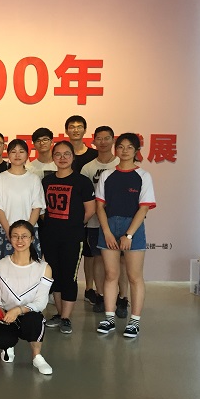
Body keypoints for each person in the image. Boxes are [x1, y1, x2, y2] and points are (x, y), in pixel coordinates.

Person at [95, 133, 156, 338]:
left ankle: (134, 321)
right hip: (109, 227)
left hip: (134, 228)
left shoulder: (143, 176)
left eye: (130, 147)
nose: (125, 150)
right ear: (116, 149)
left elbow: (143, 208)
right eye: (121, 147)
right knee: (111, 275)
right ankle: (109, 318)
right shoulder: (107, 175)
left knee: (134, 276)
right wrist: (107, 232)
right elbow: (100, 207)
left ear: (136, 151)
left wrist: (128, 235)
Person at [41, 141, 96, 335]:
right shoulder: (46, 181)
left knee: (69, 277)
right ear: (53, 157)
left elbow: (90, 210)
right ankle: (59, 314)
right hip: (49, 236)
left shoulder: (82, 181)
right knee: (54, 276)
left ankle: (66, 318)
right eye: (58, 154)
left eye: (67, 154)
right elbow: (42, 209)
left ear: (73, 157)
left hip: (73, 237)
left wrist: (73, 225)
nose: (62, 158)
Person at [0, 220, 54, 375]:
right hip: (6, 315)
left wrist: (18, 310)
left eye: (24, 236)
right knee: (2, 339)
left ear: (32, 238)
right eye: (15, 236)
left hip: (28, 313)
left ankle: (37, 356)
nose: (20, 240)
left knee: (35, 320)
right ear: (10, 238)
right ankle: (8, 347)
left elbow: (41, 302)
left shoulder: (44, 268)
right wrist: (1, 312)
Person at [80, 126, 129, 314]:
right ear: (93, 141)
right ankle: (100, 296)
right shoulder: (88, 168)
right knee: (98, 260)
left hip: (120, 222)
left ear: (113, 140)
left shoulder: (121, 164)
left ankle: (122, 298)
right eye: (99, 138)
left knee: (122, 261)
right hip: (95, 223)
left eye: (106, 138)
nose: (102, 142)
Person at [0, 139, 45, 263]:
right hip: (4, 229)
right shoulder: (0, 178)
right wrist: (9, 232)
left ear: (27, 155)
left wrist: (26, 233)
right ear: (8, 155)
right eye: (13, 151)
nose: (17, 155)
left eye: (21, 151)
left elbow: (37, 207)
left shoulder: (34, 179)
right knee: (3, 267)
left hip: (29, 230)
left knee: (30, 266)